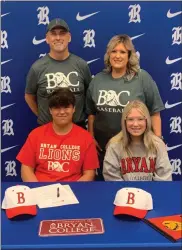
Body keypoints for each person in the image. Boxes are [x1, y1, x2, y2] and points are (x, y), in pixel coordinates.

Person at [86, 34, 165, 180]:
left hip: (135, 149)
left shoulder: (141, 78)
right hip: (103, 148)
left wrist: (157, 141)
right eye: (113, 51)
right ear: (108, 55)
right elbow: (91, 113)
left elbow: (155, 111)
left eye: (122, 52)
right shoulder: (97, 80)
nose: (117, 56)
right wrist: (91, 136)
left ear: (129, 56)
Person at [17, 88, 99, 182]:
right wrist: (37, 191)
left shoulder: (86, 137)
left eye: (66, 107)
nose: (62, 112)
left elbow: (89, 173)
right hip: (41, 191)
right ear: (50, 110)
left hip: (73, 192)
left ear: (74, 109)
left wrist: (74, 191)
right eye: (57, 108)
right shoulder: (35, 135)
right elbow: (26, 168)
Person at [25, 18, 92, 128]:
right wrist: (42, 115)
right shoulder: (37, 68)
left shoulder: (81, 65)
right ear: (47, 39)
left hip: (77, 128)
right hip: (47, 129)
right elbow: (29, 96)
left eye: (62, 33)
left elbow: (89, 96)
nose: (58, 38)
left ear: (69, 37)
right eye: (53, 34)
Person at [103, 100, 172, 181]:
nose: (135, 124)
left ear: (147, 121)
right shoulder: (114, 145)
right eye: (130, 119)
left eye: (140, 119)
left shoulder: (158, 144)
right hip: (124, 192)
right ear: (124, 121)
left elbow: (164, 178)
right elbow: (111, 178)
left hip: (151, 192)